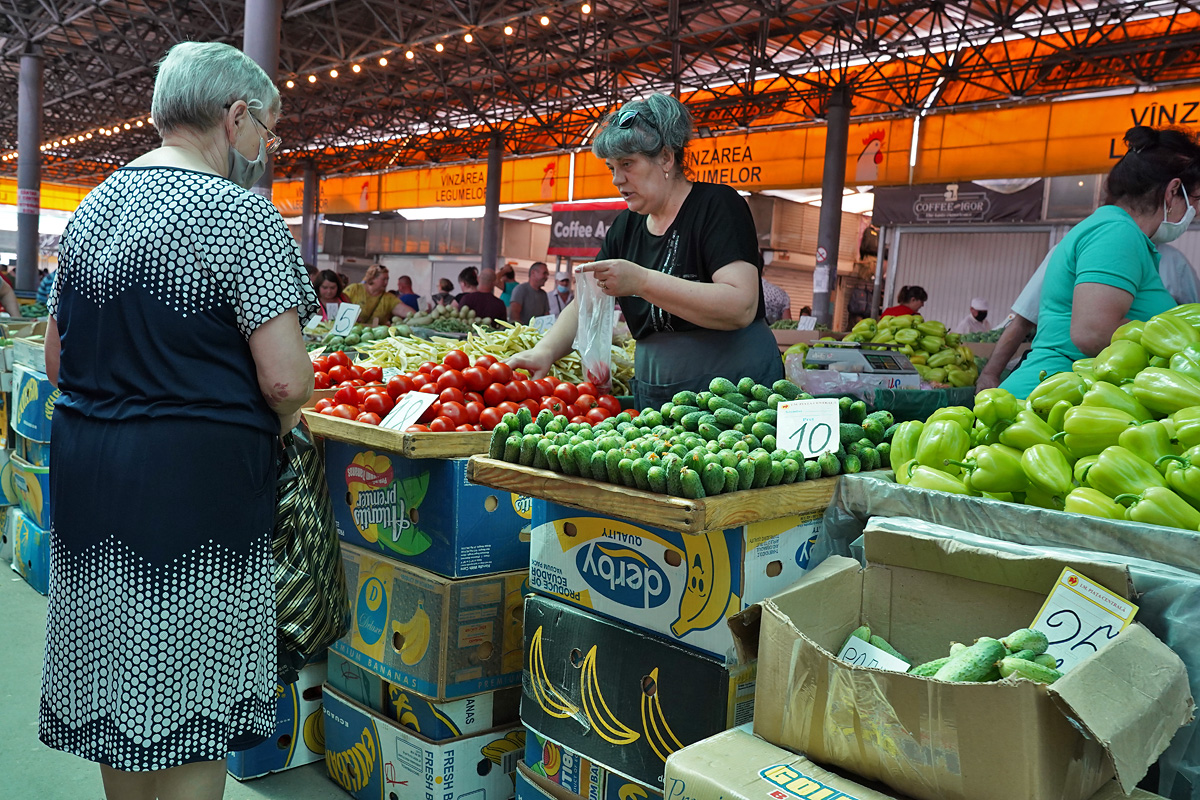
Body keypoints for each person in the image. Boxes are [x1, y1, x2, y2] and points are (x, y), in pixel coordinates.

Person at [39, 41, 319, 800]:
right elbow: (287, 378)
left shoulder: (93, 207)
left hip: (91, 475)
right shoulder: (242, 217)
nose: (265, 146)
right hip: (195, 488)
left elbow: (58, 364)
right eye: (267, 128)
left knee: (115, 680)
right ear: (235, 118)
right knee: (194, 688)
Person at [508, 94, 782, 408]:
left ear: (666, 158)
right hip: (656, 392)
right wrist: (545, 351)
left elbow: (740, 306)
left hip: (734, 395)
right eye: (612, 167)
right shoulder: (626, 226)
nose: (616, 179)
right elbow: (589, 299)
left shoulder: (718, 206)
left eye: (627, 164)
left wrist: (641, 282)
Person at [1000, 125, 1195, 398]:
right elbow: (1093, 331)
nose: (1194, 212)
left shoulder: (1117, 231)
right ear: (1173, 192)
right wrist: (1187, 346)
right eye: (1195, 199)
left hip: (1068, 397)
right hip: (1056, 400)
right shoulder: (1117, 233)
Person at [977, 241, 1200, 390]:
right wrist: (990, 373)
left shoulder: (1173, 261)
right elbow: (1023, 319)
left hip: (1148, 384)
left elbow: (1192, 324)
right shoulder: (1072, 248)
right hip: (1067, 375)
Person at [343, 264, 413, 325]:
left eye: (387, 279)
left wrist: (418, 315)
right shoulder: (354, 289)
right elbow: (340, 304)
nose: (386, 282)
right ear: (373, 278)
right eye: (383, 279)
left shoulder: (389, 298)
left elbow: (403, 310)